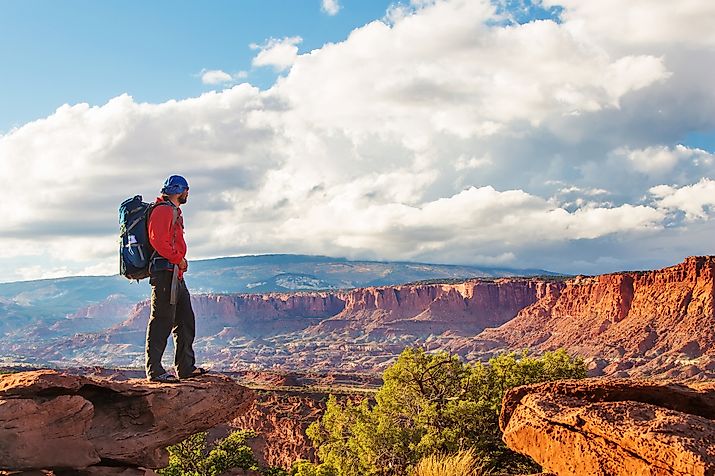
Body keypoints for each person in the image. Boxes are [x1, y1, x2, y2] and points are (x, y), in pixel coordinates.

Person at [145, 174, 207, 383]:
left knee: (185, 319)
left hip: (175, 275)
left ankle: (186, 367)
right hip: (165, 274)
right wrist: (178, 259)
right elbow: (158, 241)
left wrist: (179, 263)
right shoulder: (162, 210)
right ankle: (154, 371)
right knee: (162, 320)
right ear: (180, 190)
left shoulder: (173, 211)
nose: (188, 194)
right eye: (187, 190)